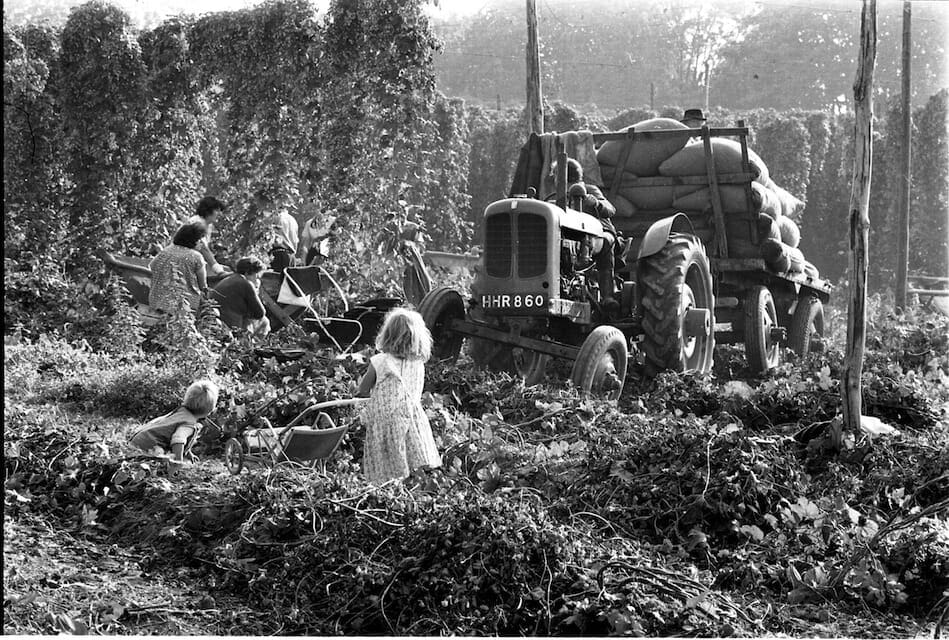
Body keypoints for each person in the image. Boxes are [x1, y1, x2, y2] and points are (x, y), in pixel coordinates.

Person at [355, 308, 442, 484]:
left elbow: (362, 390)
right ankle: (410, 493)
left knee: (386, 466)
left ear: (387, 334)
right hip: (412, 418)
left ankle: (388, 493)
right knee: (412, 466)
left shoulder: (380, 361)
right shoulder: (418, 364)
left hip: (385, 420)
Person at [563, 158, 619, 305]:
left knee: (605, 241)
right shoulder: (558, 195)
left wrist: (596, 203)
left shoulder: (590, 190)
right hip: (571, 234)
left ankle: (608, 296)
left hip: (599, 232)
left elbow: (611, 210)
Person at [128, 379, 220, 463]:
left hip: (138, 440)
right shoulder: (189, 424)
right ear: (210, 409)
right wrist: (178, 462)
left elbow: (175, 431)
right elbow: (178, 440)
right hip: (146, 448)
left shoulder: (181, 411)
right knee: (165, 461)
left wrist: (188, 452)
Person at [149, 222, 208, 316]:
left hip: (156, 302)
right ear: (193, 240)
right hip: (183, 307)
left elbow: (151, 267)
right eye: (200, 239)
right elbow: (203, 286)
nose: (202, 243)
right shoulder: (196, 256)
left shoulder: (165, 251)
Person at [210, 256, 270, 338]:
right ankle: (250, 347)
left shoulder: (231, 277)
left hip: (215, 319)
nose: (257, 278)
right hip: (230, 326)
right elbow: (260, 313)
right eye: (256, 275)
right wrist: (256, 290)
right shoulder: (246, 283)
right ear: (247, 272)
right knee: (264, 322)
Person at [188, 196, 227, 277]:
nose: (219, 214)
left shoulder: (208, 225)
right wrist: (217, 269)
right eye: (217, 210)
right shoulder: (197, 222)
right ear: (208, 210)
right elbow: (202, 248)